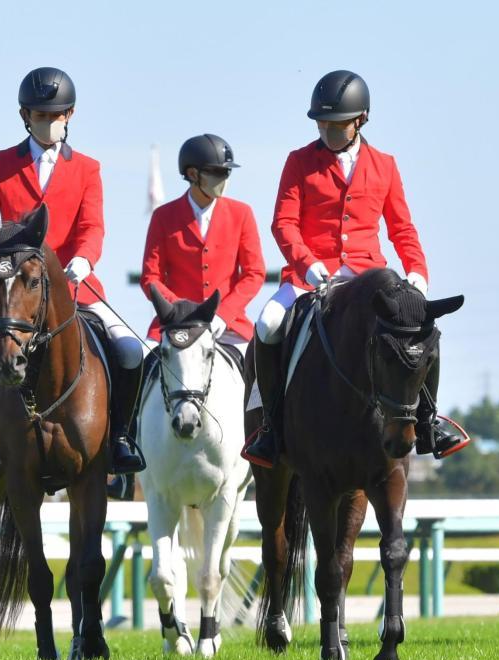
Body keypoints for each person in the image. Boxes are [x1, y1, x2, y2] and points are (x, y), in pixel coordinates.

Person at [243, 70, 466, 467]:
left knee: (424, 328)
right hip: (310, 276)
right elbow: (283, 223)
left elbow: (401, 226)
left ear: (360, 120)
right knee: (267, 324)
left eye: (336, 125)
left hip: (369, 277)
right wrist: (307, 264)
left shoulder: (385, 165)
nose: (327, 131)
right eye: (322, 124)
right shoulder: (299, 162)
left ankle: (430, 421)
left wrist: (417, 271)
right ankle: (272, 427)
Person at [0, 66, 145, 482]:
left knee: (133, 351)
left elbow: (93, 226)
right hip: (15, 294)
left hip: (77, 287)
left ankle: (121, 439)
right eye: (40, 116)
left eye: (55, 115)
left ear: (70, 115)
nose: (48, 123)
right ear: (26, 116)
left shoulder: (88, 168)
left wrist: (85, 258)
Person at [141, 134, 266, 357]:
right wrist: (178, 310)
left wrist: (223, 315)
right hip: (174, 324)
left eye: (227, 172)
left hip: (229, 327)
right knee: (140, 361)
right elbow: (151, 278)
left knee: (259, 378)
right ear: (192, 174)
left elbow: (254, 274)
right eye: (216, 173)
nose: (224, 178)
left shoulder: (242, 213)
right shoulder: (163, 216)